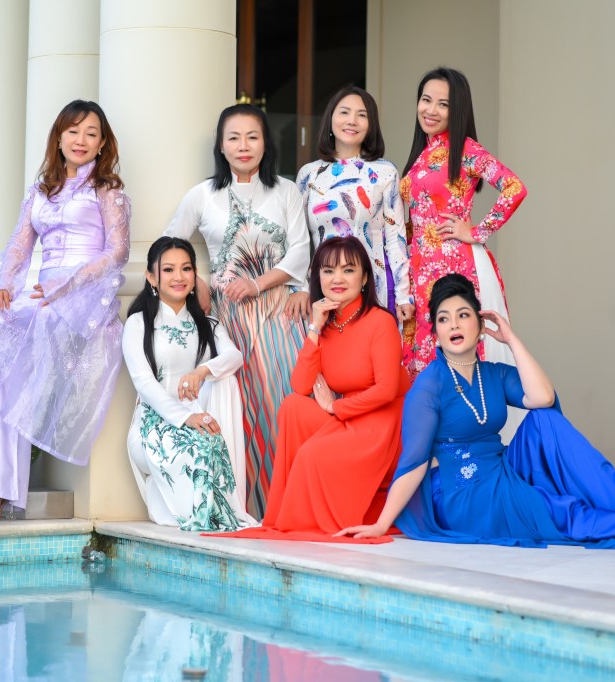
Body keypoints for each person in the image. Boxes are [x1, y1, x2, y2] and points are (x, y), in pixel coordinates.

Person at [337, 274, 615, 549]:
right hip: (463, 492)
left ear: (480, 325)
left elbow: (542, 397)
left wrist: (511, 339)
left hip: (501, 468)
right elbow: (413, 463)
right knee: (561, 510)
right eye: (443, 319)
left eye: (463, 315)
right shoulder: (430, 385)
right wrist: (381, 524)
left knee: (544, 420)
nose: (453, 324)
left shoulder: (493, 373)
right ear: (436, 334)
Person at [0, 100, 131, 522]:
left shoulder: (108, 190)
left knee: (30, 345)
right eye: (73, 131)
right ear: (58, 138)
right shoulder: (40, 191)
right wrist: (3, 285)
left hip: (85, 292)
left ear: (102, 144)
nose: (81, 140)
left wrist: (71, 283)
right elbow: (18, 246)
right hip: (43, 291)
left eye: (91, 133)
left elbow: (118, 251)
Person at [165, 103, 311, 518]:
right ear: (221, 145)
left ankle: (289, 505)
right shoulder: (202, 195)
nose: (243, 145)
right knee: (238, 411)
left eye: (252, 136)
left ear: (266, 143)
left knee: (284, 403)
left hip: (280, 317)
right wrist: (198, 280)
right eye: (234, 137)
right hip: (228, 321)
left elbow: (301, 249)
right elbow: (169, 244)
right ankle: (246, 506)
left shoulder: (286, 191)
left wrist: (260, 283)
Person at [218, 237, 409, 543]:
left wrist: (335, 408)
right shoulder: (327, 324)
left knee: (312, 454)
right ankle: (286, 515)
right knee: (293, 406)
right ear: (318, 278)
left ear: (364, 279)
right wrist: (315, 327)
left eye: (348, 270)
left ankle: (314, 519)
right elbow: (300, 386)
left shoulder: (380, 322)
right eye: (328, 271)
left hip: (383, 425)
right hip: (351, 418)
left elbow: (386, 391)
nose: (337, 279)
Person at [400, 67, 527, 377]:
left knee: (455, 353)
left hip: (453, 265)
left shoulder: (467, 149)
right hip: (419, 267)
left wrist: (478, 231)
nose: (431, 110)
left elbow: (514, 187)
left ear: (457, 110)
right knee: (422, 360)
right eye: (426, 100)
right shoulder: (422, 154)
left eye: (443, 104)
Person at [123, 237, 257, 531]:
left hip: (201, 420)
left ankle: (221, 506)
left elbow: (234, 357)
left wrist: (202, 371)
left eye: (186, 269)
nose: (179, 277)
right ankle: (183, 506)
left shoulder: (208, 325)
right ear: (151, 277)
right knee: (198, 449)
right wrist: (185, 418)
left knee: (224, 382)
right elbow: (144, 383)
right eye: (168, 269)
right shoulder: (138, 324)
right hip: (153, 424)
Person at [296, 86, 412, 320]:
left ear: (371, 125)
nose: (352, 121)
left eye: (362, 115)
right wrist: (300, 287)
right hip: (322, 288)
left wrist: (403, 295)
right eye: (344, 112)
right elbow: (298, 239)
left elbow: (395, 237)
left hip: (371, 287)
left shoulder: (385, 172)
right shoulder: (309, 174)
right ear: (330, 119)